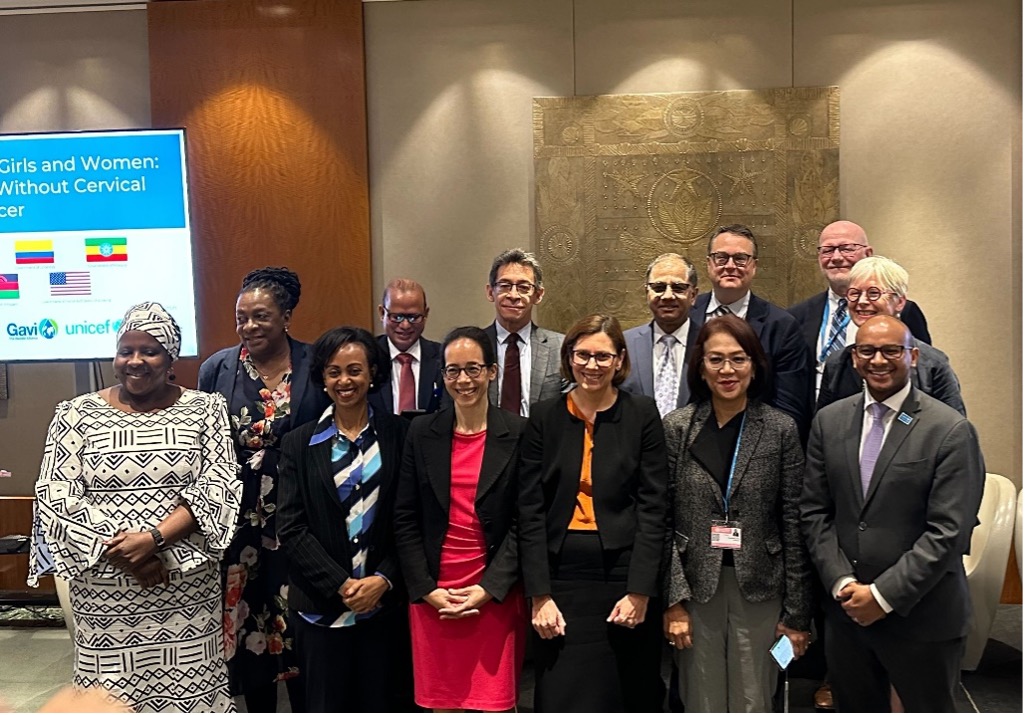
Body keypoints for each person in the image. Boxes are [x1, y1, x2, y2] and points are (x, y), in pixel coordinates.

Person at [29, 302, 242, 712]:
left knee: (190, 693)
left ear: (171, 358)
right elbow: (56, 496)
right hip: (104, 591)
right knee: (108, 699)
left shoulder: (206, 409)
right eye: (126, 350)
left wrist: (154, 540)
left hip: (183, 591)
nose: (135, 361)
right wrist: (131, 554)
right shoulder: (75, 414)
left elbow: (219, 485)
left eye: (150, 351)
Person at [800, 315, 984, 712]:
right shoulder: (829, 422)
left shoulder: (950, 430)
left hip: (923, 617)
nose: (878, 360)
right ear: (853, 359)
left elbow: (949, 532)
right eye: (867, 350)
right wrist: (841, 582)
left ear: (913, 356)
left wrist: (882, 596)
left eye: (891, 350)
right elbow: (814, 511)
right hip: (847, 613)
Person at [518, 314, 668, 712]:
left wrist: (640, 591)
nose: (592, 365)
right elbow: (530, 509)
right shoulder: (544, 416)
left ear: (620, 360)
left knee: (625, 691)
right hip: (560, 574)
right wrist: (539, 595)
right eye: (582, 355)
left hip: (623, 574)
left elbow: (654, 508)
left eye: (603, 356)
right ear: (569, 358)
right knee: (562, 694)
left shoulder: (642, 415)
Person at [662, 315, 812, 712]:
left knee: (754, 696)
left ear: (755, 365)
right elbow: (661, 518)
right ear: (700, 366)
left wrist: (798, 614)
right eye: (716, 360)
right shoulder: (677, 428)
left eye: (738, 359)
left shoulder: (780, 429)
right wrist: (673, 600)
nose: (727, 370)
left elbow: (794, 524)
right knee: (702, 697)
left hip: (761, 585)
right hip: (696, 587)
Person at [197, 266, 330, 711]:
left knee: (297, 623)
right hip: (238, 525)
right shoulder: (217, 368)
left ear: (286, 316)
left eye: (260, 317)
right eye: (241, 318)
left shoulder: (315, 364)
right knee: (249, 622)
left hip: (298, 517)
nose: (248, 327)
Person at [276, 326, 414, 712]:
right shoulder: (299, 443)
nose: (344, 381)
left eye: (354, 370)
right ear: (322, 377)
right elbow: (291, 526)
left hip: (384, 608)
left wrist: (383, 580)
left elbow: (410, 520)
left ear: (372, 373)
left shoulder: (401, 435)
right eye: (334, 371)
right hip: (320, 610)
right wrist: (342, 586)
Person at [395, 326, 527, 711]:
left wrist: (488, 588)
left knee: (494, 703)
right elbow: (404, 518)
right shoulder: (421, 431)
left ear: (492, 371)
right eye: (453, 371)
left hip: (493, 596)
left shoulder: (518, 432)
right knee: (442, 704)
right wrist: (425, 589)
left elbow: (524, 523)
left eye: (473, 368)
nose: (463, 380)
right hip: (433, 594)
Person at [690, 225, 811, 438]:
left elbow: (790, 407)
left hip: (757, 446)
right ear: (709, 264)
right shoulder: (687, 315)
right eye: (721, 258)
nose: (730, 266)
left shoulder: (782, 325)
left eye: (740, 259)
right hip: (689, 440)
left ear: (754, 266)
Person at [788, 220, 931, 400]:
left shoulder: (903, 311)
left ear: (868, 253)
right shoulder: (797, 316)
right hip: (823, 418)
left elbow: (924, 374)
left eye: (847, 248)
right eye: (828, 250)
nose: (837, 257)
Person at [817, 256, 964, 416]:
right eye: (855, 293)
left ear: (900, 302)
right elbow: (824, 425)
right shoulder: (837, 362)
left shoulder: (932, 363)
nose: (862, 301)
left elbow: (954, 428)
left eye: (874, 293)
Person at [484, 248, 567, 416]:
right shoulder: (475, 345)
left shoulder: (560, 347)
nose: (513, 295)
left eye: (523, 287)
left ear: (538, 295)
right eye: (505, 285)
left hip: (542, 440)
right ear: (490, 292)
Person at [621, 253, 701, 417]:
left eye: (678, 288)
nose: (667, 296)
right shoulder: (623, 344)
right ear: (647, 293)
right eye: (658, 287)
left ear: (693, 295)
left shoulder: (709, 344)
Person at [368, 277, 447, 417]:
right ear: (382, 313)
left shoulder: (443, 358)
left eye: (413, 317)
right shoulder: (367, 356)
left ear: (426, 314)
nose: (405, 325)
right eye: (397, 317)